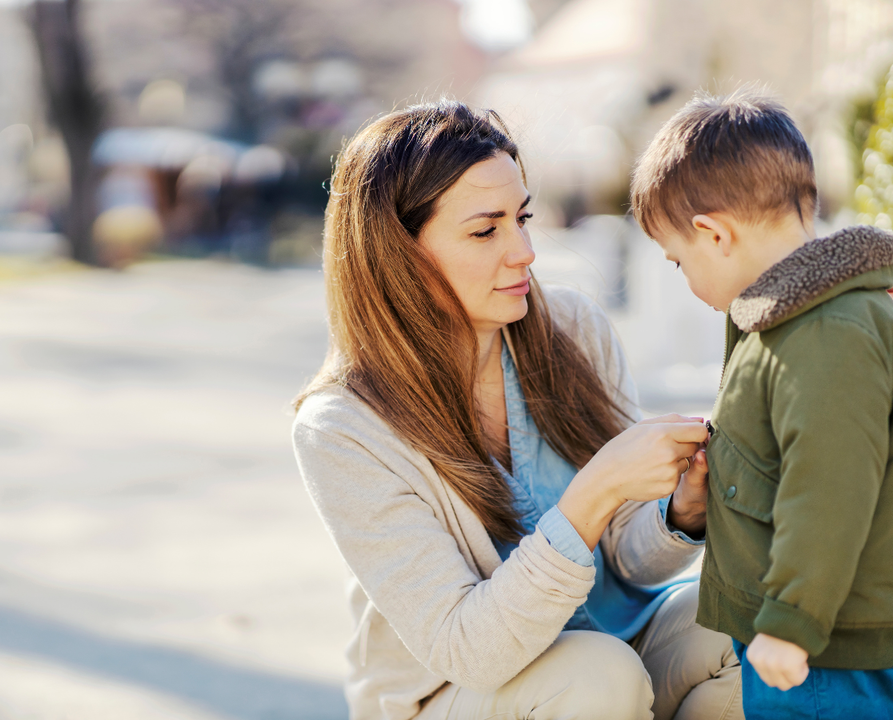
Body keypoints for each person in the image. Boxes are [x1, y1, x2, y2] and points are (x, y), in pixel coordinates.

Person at [292, 100, 742, 720]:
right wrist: (595, 492)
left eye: (522, 218)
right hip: (460, 692)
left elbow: (628, 560)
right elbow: (469, 651)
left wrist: (681, 511)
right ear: (396, 252)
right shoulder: (342, 427)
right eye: (486, 230)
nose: (525, 252)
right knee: (595, 676)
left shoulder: (574, 331)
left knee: (743, 615)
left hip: (612, 647)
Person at [630, 87, 893, 720]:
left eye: (678, 261)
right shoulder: (787, 321)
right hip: (809, 641)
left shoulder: (825, 331)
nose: (686, 282)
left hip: (827, 651)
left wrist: (791, 620)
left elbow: (828, 485)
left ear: (714, 234)